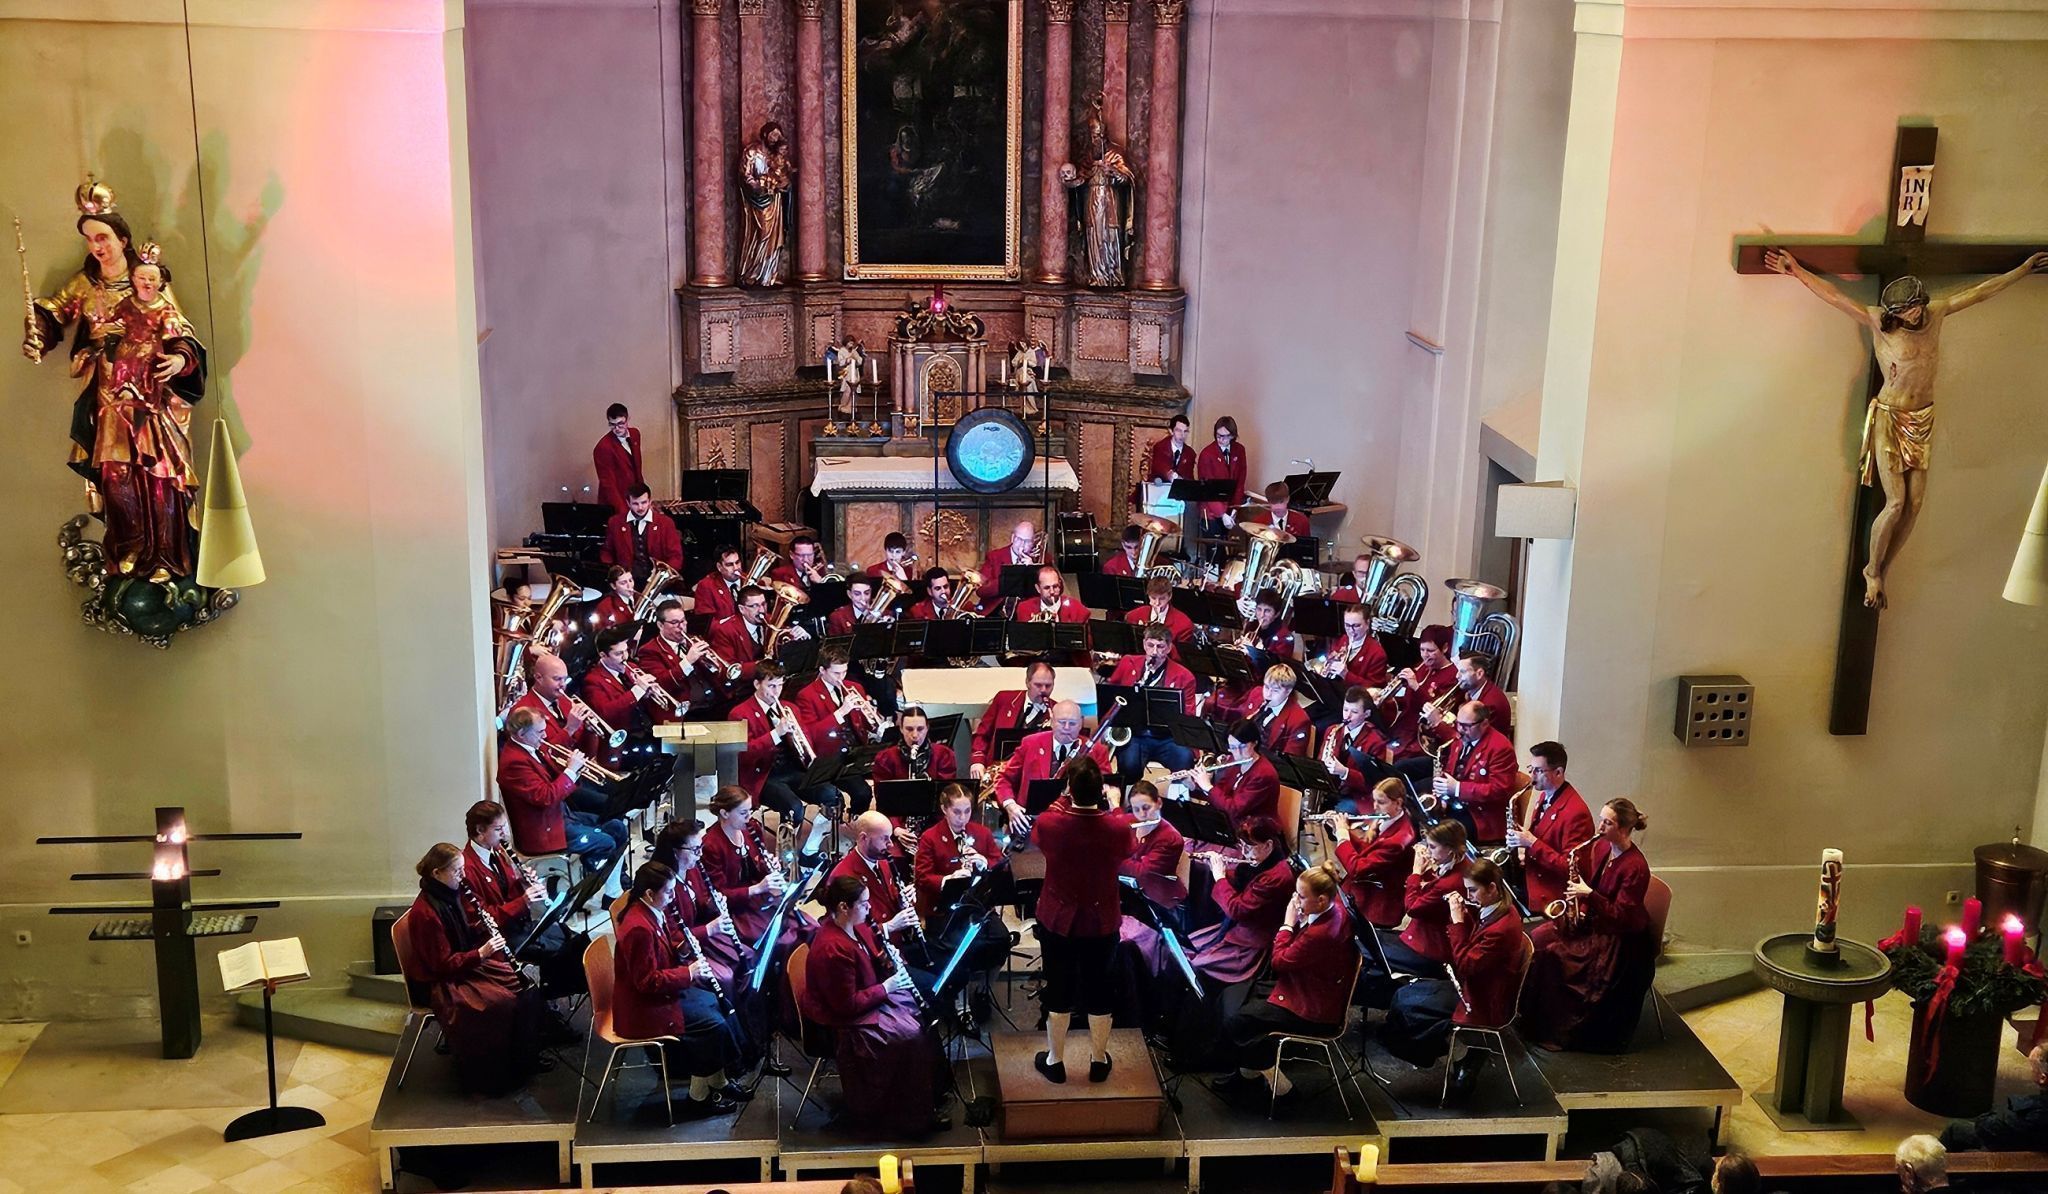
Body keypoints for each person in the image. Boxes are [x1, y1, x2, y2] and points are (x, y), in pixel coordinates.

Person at [1764, 247, 2048, 608]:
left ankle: (1884, 571)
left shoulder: (1937, 313)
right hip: (1890, 416)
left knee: (1914, 504)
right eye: (1899, 312)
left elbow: (1980, 292)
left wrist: (2021, 271)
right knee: (1895, 502)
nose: (1906, 316)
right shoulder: (1878, 322)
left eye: (1910, 309)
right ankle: (1871, 570)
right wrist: (1797, 271)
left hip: (1923, 418)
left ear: (1920, 304)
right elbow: (1835, 296)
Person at [803, 875, 951, 1134]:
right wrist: (888, 987)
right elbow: (846, 1006)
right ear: (843, 907)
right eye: (863, 903)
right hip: (843, 1019)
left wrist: (888, 962)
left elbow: (868, 960)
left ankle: (930, 1094)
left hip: (863, 999)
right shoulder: (832, 948)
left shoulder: (855, 926)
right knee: (911, 1034)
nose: (870, 908)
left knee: (920, 1013)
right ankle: (909, 1116)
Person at [1380, 858, 1530, 1102]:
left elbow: (1466, 964)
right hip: (1480, 985)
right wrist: (1466, 913)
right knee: (1404, 994)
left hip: (1483, 1000)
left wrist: (1457, 920)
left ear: (1492, 888)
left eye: (1472, 890)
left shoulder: (1501, 927)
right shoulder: (1500, 908)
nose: (1468, 895)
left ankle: (1423, 1052)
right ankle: (1423, 1047)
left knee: (1410, 1005)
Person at [405, 844, 548, 1095]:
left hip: (465, 964)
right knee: (500, 1002)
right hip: (444, 980)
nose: (463, 876)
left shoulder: (451, 893)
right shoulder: (425, 913)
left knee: (525, 986)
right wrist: (482, 952)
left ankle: (522, 1061)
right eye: (457, 871)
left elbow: (463, 932)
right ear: (437, 873)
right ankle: (491, 1076)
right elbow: (442, 965)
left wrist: (484, 930)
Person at [613, 861, 747, 1117]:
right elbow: (646, 982)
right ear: (649, 894)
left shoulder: (651, 910)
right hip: (642, 1008)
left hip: (657, 995)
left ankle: (718, 1080)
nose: (673, 897)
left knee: (716, 1002)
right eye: (669, 892)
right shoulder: (638, 927)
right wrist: (689, 973)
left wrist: (684, 951)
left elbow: (661, 955)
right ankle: (699, 1097)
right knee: (712, 1025)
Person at [1029, 756, 1133, 1083]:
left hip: (1058, 919)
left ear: (1070, 790)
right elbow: (1127, 845)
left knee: (1058, 987)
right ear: (1100, 790)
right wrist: (1114, 805)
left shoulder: (1051, 823)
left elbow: (1048, 816)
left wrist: (1063, 794)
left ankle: (1055, 1060)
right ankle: (1099, 1060)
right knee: (1099, 989)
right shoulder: (1116, 825)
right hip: (1101, 921)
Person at [1521, 797, 1653, 1052]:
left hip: (1622, 940)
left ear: (1624, 829)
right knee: (1538, 939)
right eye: (1601, 819)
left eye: (1607, 822)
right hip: (1598, 921)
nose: (1599, 826)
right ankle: (1531, 1019)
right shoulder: (1603, 848)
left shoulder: (1636, 867)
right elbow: (1594, 890)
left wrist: (1588, 895)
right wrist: (1581, 907)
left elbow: (1621, 916)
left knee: (1555, 956)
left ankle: (1560, 1031)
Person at [1214, 865, 1355, 1102]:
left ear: (1321, 900)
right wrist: (1300, 920)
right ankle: (1247, 1072)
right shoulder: (1334, 908)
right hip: (1308, 985)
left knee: (1238, 1021)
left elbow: (1279, 961)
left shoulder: (1321, 933)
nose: (1294, 900)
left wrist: (1288, 924)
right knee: (1237, 998)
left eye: (1300, 896)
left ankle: (1282, 1088)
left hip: (1311, 1008)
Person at [461, 801, 588, 1007]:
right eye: (498, 829)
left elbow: (505, 890)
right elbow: (483, 917)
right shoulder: (468, 868)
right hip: (499, 937)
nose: (504, 834)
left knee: (571, 936)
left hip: (518, 923)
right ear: (480, 831)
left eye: (504, 827)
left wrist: (520, 880)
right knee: (558, 949)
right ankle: (545, 1007)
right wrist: (524, 900)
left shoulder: (496, 851)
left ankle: (559, 995)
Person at [911, 783, 1014, 986]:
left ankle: (984, 988)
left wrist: (984, 862)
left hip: (977, 905)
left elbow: (1000, 864)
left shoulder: (982, 833)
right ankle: (957, 994)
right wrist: (949, 880)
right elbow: (922, 877)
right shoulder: (930, 837)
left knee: (1001, 939)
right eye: (956, 812)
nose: (963, 818)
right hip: (943, 909)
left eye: (967, 811)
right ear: (944, 809)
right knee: (958, 945)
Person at [497, 707, 628, 867]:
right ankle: (588, 884)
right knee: (605, 843)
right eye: (539, 732)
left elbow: (554, 781)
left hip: (561, 817)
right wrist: (571, 770)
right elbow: (546, 797)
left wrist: (576, 771)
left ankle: (614, 885)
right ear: (521, 734)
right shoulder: (514, 762)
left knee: (617, 827)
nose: (544, 736)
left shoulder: (531, 748)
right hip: (543, 832)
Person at [731, 661, 841, 829]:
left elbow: (807, 741)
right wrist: (776, 734)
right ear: (756, 684)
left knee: (831, 794)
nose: (776, 691)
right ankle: (785, 851)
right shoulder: (740, 713)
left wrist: (800, 739)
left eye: (780, 685)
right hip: (765, 775)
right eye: (771, 686)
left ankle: (811, 846)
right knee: (794, 809)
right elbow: (744, 754)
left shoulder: (790, 708)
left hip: (793, 769)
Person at [700, 785, 810, 947]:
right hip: (737, 907)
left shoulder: (751, 828)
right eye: (743, 813)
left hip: (759, 897)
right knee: (780, 939)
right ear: (724, 813)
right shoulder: (711, 845)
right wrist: (757, 888)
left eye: (750, 811)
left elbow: (759, 867)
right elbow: (718, 894)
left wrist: (769, 865)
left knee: (807, 926)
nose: (749, 817)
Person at [995, 700, 1115, 837]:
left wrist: (1106, 789)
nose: (1067, 727)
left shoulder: (1097, 751)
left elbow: (1108, 786)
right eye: (1062, 722)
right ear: (1052, 721)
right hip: (1029, 826)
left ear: (1081, 723)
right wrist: (1011, 806)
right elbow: (1003, 778)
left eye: (1073, 723)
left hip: (1078, 828)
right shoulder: (1030, 743)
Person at [1506, 741, 1594, 915]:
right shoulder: (1546, 795)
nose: (1532, 776)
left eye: (1538, 771)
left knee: (1502, 906)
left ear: (1558, 772)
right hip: (1535, 871)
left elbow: (1571, 868)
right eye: (1531, 768)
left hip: (1553, 890)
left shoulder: (1576, 813)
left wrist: (1531, 843)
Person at [1375, 820, 1469, 980]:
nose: (1429, 851)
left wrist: (1416, 872)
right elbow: (1434, 893)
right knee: (1373, 936)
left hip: (1431, 949)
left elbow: (1412, 908)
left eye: (1432, 847)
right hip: (1426, 933)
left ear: (1450, 848)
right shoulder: (1461, 863)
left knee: (1367, 948)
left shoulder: (1451, 882)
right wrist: (1426, 877)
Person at [1104, 622, 1196, 781]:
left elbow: (1188, 715)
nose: (1154, 652)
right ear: (1144, 645)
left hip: (1168, 738)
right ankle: (1125, 798)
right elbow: (1111, 693)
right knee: (1128, 764)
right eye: (1150, 645)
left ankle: (1178, 800)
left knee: (1184, 758)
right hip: (1135, 734)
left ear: (1168, 648)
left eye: (1160, 647)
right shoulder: (1128, 662)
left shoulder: (1185, 676)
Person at [1325, 778, 1414, 929]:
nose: (1374, 806)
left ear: (1398, 803)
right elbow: (1369, 851)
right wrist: (1341, 829)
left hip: (1376, 905)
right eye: (1374, 801)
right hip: (1365, 890)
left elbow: (1357, 869)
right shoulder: (1391, 821)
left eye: (1381, 802)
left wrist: (1343, 835)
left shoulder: (1399, 839)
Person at [1434, 701, 1520, 844]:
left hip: (1481, 816)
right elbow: (1450, 771)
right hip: (1457, 804)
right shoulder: (1461, 737)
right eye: (1458, 723)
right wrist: (1442, 797)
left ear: (1484, 724)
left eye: (1466, 726)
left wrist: (1457, 788)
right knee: (1421, 817)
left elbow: (1499, 790)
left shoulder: (1500, 748)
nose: (1460, 730)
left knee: (1442, 835)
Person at [1941, 1042, 2048, 1151]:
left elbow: (1984, 1125)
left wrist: (2002, 1109)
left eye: (2033, 1067)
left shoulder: (2035, 1113)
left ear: (2043, 1078)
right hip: (2031, 1143)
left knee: (1954, 1129)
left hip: (2016, 1155)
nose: (2030, 1070)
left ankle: (1937, 1166)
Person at [1186, 720, 1280, 834]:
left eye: (1242, 746)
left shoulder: (1263, 775)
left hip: (1255, 832)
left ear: (1255, 743)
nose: (1238, 753)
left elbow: (1234, 810)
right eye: (1233, 747)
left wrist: (1208, 787)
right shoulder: (1235, 761)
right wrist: (1195, 786)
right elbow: (1221, 795)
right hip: (1232, 824)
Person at [970, 661, 1057, 780]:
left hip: (1031, 776)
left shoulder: (1056, 711)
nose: (1043, 690)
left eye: (1048, 686)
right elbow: (982, 734)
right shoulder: (1004, 699)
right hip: (997, 771)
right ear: (1027, 682)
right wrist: (977, 761)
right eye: (1038, 685)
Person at [1321, 686, 1398, 810]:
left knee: (1337, 812)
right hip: (1329, 790)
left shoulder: (1376, 742)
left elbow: (1374, 783)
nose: (1347, 716)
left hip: (1357, 797)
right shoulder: (1332, 730)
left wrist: (1345, 772)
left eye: (1354, 712)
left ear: (1366, 714)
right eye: (1345, 710)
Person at [736, 121, 793, 288]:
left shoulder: (776, 156)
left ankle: (768, 276)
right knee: (762, 234)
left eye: (778, 136)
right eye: (773, 135)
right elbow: (745, 175)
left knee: (776, 237)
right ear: (764, 134)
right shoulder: (752, 152)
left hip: (775, 201)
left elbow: (784, 175)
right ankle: (751, 273)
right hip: (758, 201)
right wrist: (757, 186)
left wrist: (783, 184)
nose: (775, 139)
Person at [636, 598, 714, 714]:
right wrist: (687, 662)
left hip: (714, 701)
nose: (681, 626)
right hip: (688, 711)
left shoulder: (693, 640)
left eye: (683, 621)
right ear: (660, 625)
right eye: (674, 622)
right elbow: (661, 684)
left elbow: (715, 672)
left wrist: (711, 662)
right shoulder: (649, 651)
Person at [599, 485, 684, 586]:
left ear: (650, 501)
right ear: (628, 503)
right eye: (635, 503)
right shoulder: (615, 522)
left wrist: (663, 576)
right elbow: (607, 551)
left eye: (644, 502)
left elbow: (675, 556)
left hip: (657, 583)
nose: (640, 507)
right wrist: (614, 573)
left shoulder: (665, 523)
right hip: (627, 583)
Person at [1422, 652, 1514, 744]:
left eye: (1462, 672)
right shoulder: (1470, 690)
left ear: (1479, 674)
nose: (1457, 676)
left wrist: (1438, 723)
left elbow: (1466, 742)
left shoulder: (1490, 704)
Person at [1194, 416, 1247, 547]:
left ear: (1233, 436)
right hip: (1211, 511)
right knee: (1214, 549)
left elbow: (1240, 481)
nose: (1221, 440)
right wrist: (1221, 514)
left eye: (1225, 436)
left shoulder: (1239, 450)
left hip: (1230, 507)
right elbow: (1207, 488)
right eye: (1218, 436)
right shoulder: (1207, 454)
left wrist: (1235, 507)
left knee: (1227, 551)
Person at [1243, 664, 1315, 757]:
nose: (1268, 694)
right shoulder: (1256, 694)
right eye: (1266, 687)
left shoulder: (1299, 720)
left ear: (1288, 691)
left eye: (1275, 690)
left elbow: (1288, 761)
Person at [1318, 604, 1391, 690]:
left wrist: (1346, 675)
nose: (1351, 631)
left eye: (1356, 626)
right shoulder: (1344, 639)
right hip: (1337, 690)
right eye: (1347, 625)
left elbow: (1375, 689)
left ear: (1367, 624)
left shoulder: (1377, 653)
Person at [1122, 575, 1197, 658]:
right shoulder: (1133, 616)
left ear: (1170, 596)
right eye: (1153, 598)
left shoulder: (1184, 625)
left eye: (1162, 598)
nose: (1157, 603)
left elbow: (1181, 658)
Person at [593, 402, 645, 515]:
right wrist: (623, 512)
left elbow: (637, 469)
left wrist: (642, 498)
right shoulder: (603, 448)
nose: (617, 428)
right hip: (615, 504)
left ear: (628, 419)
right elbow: (608, 485)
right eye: (612, 424)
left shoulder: (635, 434)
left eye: (620, 423)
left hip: (634, 499)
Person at [692, 545, 746, 624]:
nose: (736, 568)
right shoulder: (706, 586)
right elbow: (707, 623)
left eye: (737, 562)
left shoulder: (748, 579)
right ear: (719, 567)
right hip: (724, 634)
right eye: (729, 564)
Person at [1020, 565, 1089, 623]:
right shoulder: (1025, 608)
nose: (1052, 591)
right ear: (1038, 588)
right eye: (1047, 588)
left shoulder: (1077, 609)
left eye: (1055, 586)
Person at [1242, 481, 1310, 539]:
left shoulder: (1302, 521)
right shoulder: (1259, 522)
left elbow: (1308, 548)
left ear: (1287, 499)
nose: (1278, 507)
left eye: (1281, 502)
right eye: (1273, 503)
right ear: (1268, 502)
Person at [1146, 414, 1195, 485]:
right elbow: (1163, 469)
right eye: (1178, 430)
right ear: (1171, 431)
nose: (1182, 435)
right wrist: (1175, 477)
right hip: (1159, 488)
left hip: (1179, 492)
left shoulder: (1190, 453)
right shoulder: (1160, 447)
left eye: (1185, 431)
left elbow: (1189, 478)